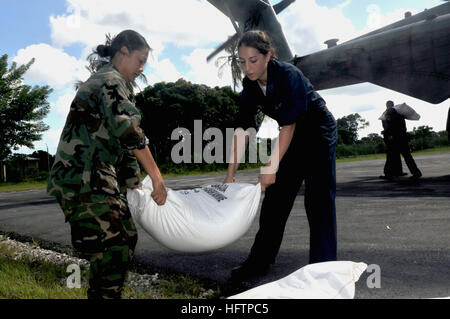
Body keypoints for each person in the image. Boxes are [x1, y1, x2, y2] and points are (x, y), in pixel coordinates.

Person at [47, 30, 167, 299]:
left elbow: (122, 147)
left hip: (97, 178)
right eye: (139, 60)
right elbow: (129, 133)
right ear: (123, 51)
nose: (141, 68)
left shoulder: (118, 85)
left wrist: (134, 183)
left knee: (124, 240)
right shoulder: (109, 81)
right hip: (82, 180)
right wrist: (157, 177)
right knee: (114, 247)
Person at [224, 30, 338, 282]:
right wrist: (231, 173)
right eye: (242, 62)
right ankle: (259, 262)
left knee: (318, 200)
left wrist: (270, 166)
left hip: (318, 133)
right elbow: (243, 128)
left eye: (253, 60)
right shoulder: (250, 85)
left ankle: (324, 268)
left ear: (268, 56)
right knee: (275, 200)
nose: (247, 67)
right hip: (293, 137)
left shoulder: (288, 74)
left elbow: (288, 125)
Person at [380, 100, 422, 181]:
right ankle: (416, 173)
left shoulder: (390, 116)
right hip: (403, 139)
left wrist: (386, 132)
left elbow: (390, 128)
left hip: (395, 140)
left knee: (391, 157)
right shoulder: (400, 115)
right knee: (407, 157)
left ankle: (389, 174)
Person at [380, 101, 406, 179]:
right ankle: (389, 173)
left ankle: (396, 172)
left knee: (394, 154)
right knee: (391, 155)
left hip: (392, 136)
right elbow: (387, 126)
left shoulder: (389, 114)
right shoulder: (387, 114)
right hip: (390, 137)